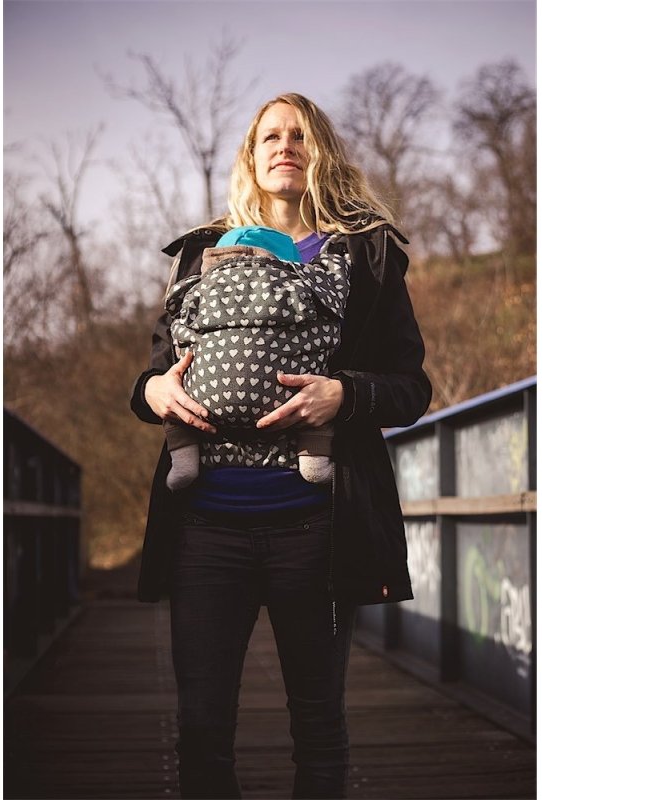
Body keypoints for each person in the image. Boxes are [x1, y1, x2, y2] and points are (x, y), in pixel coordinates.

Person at [129, 93, 432, 799]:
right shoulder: (202, 254)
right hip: (205, 530)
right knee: (201, 730)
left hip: (318, 530)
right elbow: (150, 376)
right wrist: (154, 394)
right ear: (252, 155)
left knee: (319, 725)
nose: (284, 146)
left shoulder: (366, 255)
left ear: (320, 149)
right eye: (270, 136)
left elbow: (410, 389)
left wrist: (344, 394)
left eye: (299, 135)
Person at [162, 223, 351, 491]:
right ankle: (313, 462)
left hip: (206, 400)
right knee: (316, 376)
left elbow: (177, 331)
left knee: (178, 395)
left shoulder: (198, 289)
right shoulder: (300, 285)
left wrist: (187, 357)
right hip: (286, 397)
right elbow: (329, 326)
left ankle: (184, 459)